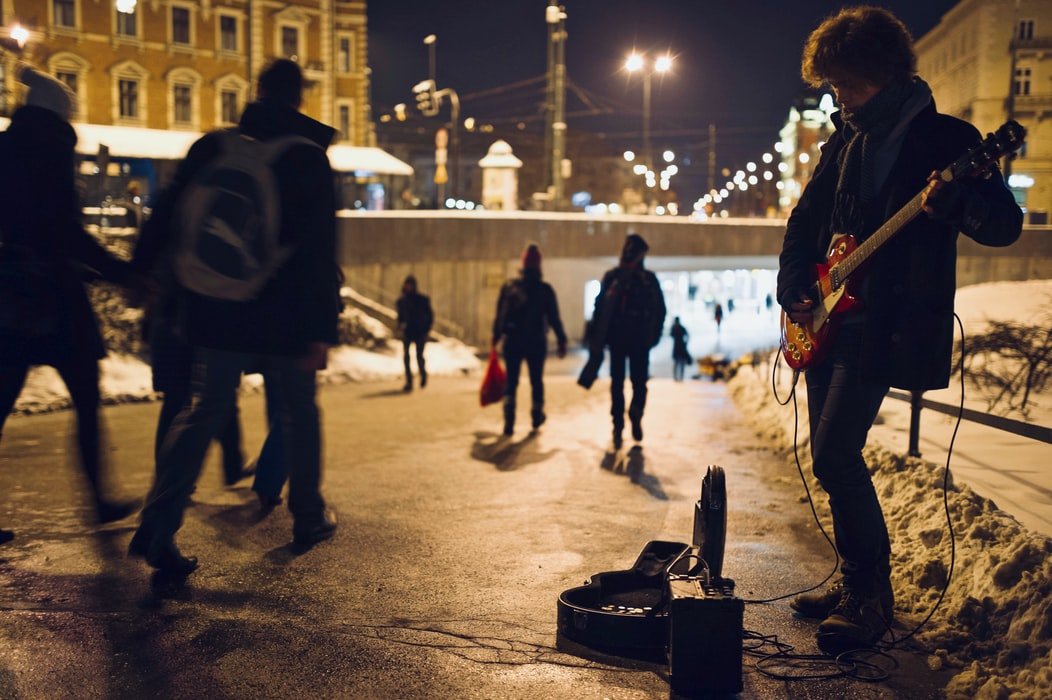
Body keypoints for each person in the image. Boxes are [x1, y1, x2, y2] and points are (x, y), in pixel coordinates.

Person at [777, 7, 1023, 652]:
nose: (836, 96)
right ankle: (855, 578)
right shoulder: (846, 139)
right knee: (832, 461)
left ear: (882, 73)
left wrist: (956, 201)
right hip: (832, 315)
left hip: (886, 323)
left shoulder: (947, 140)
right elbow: (805, 224)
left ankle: (873, 597)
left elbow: (1004, 225)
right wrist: (796, 285)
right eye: (830, 85)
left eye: (845, 84)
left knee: (834, 454)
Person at [128, 59, 341, 575]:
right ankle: (307, 515)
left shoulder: (214, 147)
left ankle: (158, 524)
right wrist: (320, 330)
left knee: (204, 408)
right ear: (298, 99)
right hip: (285, 313)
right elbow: (318, 253)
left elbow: (169, 213)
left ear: (258, 92)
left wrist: (141, 273)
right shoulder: (308, 158)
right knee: (298, 411)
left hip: (217, 305)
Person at [0, 67, 142, 534]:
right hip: (53, 296)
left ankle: (101, 499)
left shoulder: (7, 148)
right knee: (84, 391)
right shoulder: (51, 149)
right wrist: (121, 272)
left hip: (8, 294)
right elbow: (64, 230)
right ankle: (99, 499)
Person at [582, 233, 666, 448]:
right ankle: (636, 410)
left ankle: (617, 424)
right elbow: (660, 311)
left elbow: (599, 308)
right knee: (639, 382)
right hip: (640, 341)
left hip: (616, 340)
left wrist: (595, 338)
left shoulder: (612, 277)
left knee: (616, 383)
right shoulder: (648, 279)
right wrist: (653, 337)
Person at [492, 243, 567, 437]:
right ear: (539, 265)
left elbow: (500, 314)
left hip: (512, 340)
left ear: (523, 264)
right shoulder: (544, 290)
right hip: (536, 341)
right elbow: (554, 317)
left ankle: (509, 418)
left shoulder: (510, 287)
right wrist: (561, 340)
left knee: (511, 380)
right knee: (536, 380)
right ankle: (536, 414)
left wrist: (496, 335)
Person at [396, 275, 434, 392]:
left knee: (419, 356)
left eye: (410, 284)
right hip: (408, 332)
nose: (407, 287)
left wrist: (426, 329)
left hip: (420, 332)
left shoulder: (422, 299)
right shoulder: (401, 301)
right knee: (406, 357)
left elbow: (430, 316)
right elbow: (400, 317)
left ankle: (423, 375)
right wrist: (400, 326)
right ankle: (409, 382)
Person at [670, 317, 691, 382]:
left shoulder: (673, 328)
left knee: (676, 363)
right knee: (681, 363)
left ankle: (675, 377)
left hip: (676, 346)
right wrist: (685, 343)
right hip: (682, 346)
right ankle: (681, 376)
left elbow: (671, 335)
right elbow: (687, 335)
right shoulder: (681, 327)